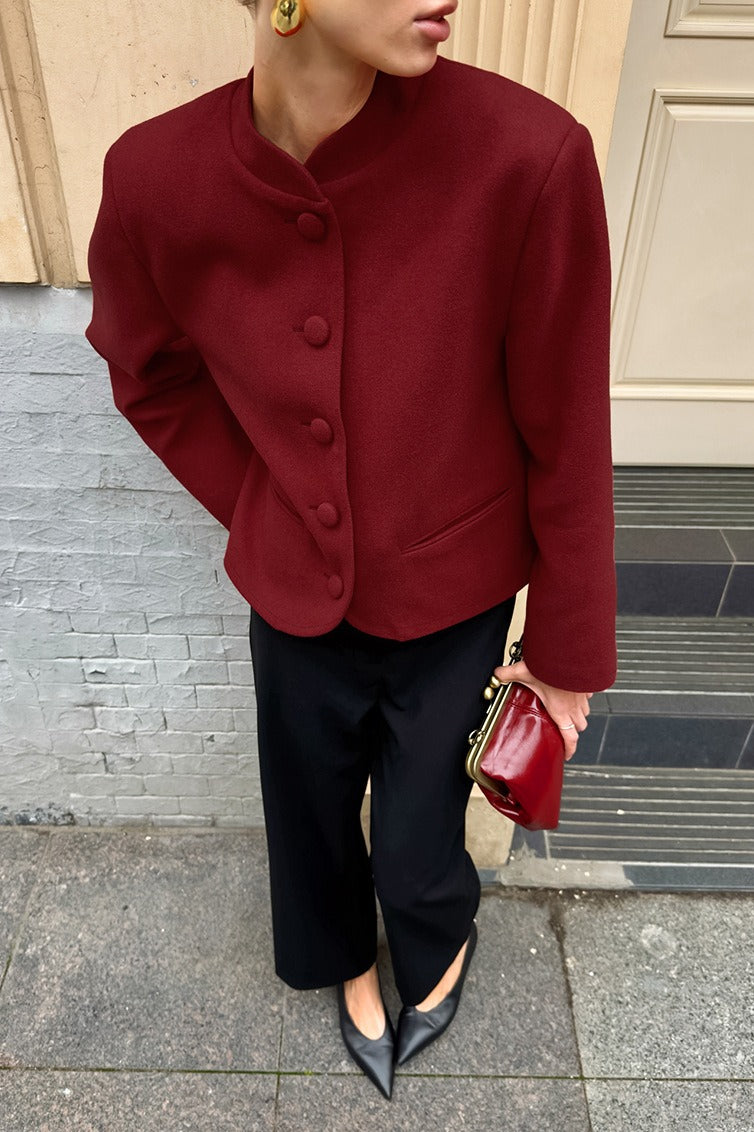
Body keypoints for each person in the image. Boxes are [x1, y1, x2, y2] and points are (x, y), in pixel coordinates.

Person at [85, 0, 617, 1101]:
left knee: (421, 826)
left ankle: (436, 936)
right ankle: (344, 961)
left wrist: (566, 653)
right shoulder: (155, 177)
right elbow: (150, 371)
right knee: (307, 806)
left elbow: (568, 427)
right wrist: (262, 502)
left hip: (459, 591)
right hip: (289, 592)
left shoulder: (528, 157)